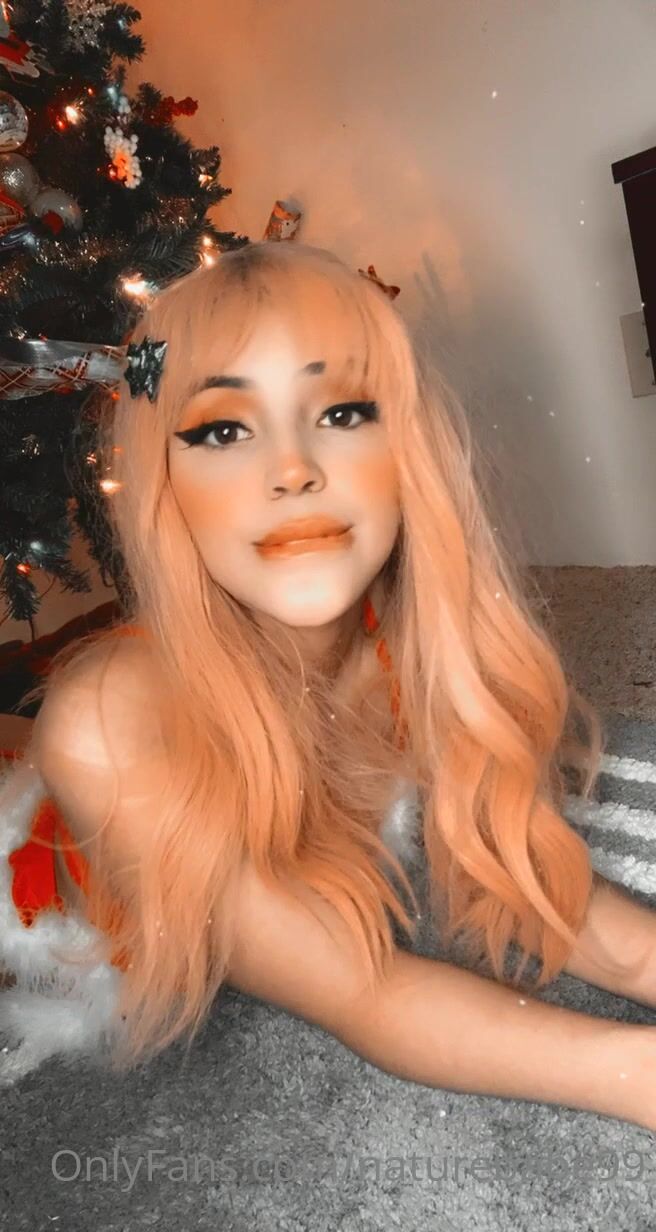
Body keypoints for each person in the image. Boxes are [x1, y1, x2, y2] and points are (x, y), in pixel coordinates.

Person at [2, 240, 656, 1129]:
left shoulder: (406, 642)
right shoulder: (107, 723)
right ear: (166, 489)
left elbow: (522, 880)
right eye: (223, 430)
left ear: (409, 450)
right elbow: (364, 991)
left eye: (343, 412)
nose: (292, 469)